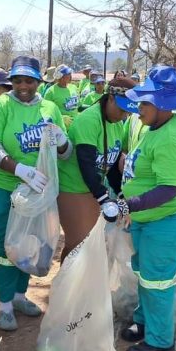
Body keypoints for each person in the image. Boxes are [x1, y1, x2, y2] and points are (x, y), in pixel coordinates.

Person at [0, 55, 71, 331]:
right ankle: (5, 305)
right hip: (4, 189)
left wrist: (63, 141)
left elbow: (65, 154)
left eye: (29, 80)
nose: (22, 85)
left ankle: (20, 296)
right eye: (17, 80)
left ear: (38, 82)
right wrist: (18, 169)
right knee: (8, 246)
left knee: (32, 245)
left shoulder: (50, 108)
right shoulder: (1, 106)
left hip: (38, 193)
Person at [119, 66, 176, 351]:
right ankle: (145, 321)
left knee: (157, 279)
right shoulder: (154, 125)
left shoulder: (172, 137)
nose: (138, 109)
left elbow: (169, 189)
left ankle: (160, 340)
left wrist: (130, 204)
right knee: (144, 271)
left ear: (163, 104)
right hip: (149, 217)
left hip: (168, 218)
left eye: (144, 103)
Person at [57, 77, 137, 260]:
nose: (124, 116)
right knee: (78, 244)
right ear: (110, 98)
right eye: (122, 109)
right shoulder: (89, 120)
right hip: (73, 187)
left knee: (88, 244)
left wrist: (120, 193)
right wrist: (103, 198)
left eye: (128, 112)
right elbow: (86, 163)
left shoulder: (116, 124)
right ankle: (67, 287)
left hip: (92, 189)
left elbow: (113, 166)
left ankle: (78, 286)